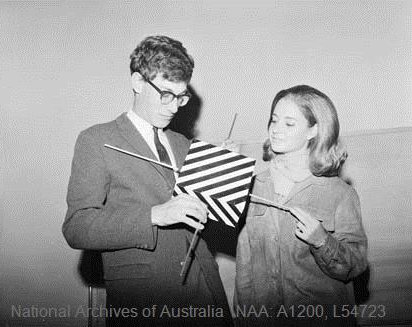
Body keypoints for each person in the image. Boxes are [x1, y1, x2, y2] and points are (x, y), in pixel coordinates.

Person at [63, 35, 233, 327]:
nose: (174, 107)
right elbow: (77, 227)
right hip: (144, 299)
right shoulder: (97, 140)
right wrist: (155, 215)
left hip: (205, 292)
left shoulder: (184, 144)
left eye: (181, 97)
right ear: (138, 82)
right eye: (166, 94)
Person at [234, 85, 368, 326]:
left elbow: (355, 266)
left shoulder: (340, 194)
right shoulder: (253, 187)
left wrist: (322, 241)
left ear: (313, 130)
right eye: (274, 121)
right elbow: (245, 267)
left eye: (289, 123)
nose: (275, 130)